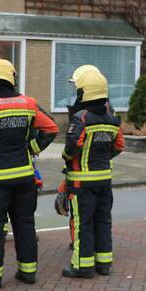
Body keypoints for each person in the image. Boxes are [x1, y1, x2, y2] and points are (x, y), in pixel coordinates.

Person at [0, 59, 59, 289]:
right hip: (25, 177)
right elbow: (51, 128)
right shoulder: (28, 103)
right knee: (25, 223)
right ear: (12, 77)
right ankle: (28, 272)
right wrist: (32, 148)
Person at [62, 69, 125, 278]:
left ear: (83, 93)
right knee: (103, 220)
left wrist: (69, 158)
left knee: (83, 223)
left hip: (82, 182)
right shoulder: (113, 120)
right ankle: (104, 263)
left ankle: (83, 266)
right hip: (104, 179)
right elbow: (119, 146)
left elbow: (71, 149)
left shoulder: (81, 118)